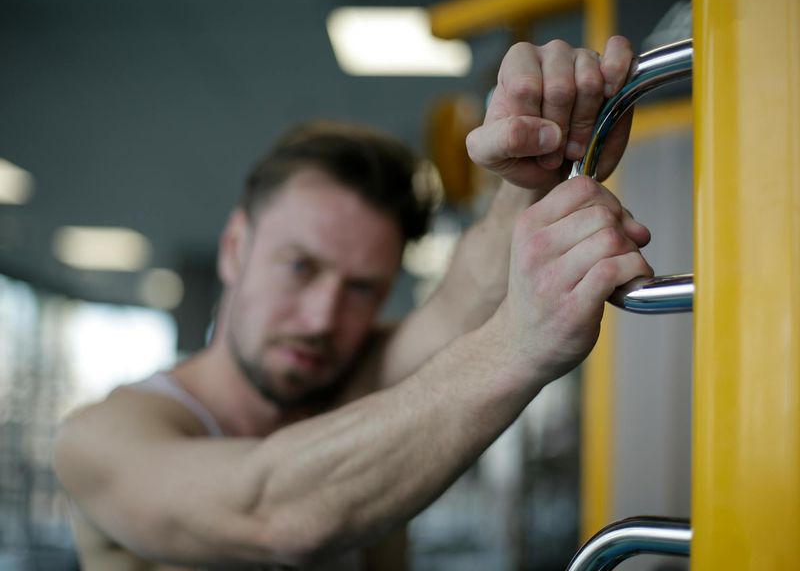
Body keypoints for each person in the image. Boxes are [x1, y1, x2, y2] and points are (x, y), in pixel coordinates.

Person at [54, 36, 651, 570]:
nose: (321, 319)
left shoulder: (358, 375)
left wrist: (540, 164)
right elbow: (277, 512)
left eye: (362, 287)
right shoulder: (103, 437)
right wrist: (518, 344)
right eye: (299, 267)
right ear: (235, 247)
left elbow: (467, 296)